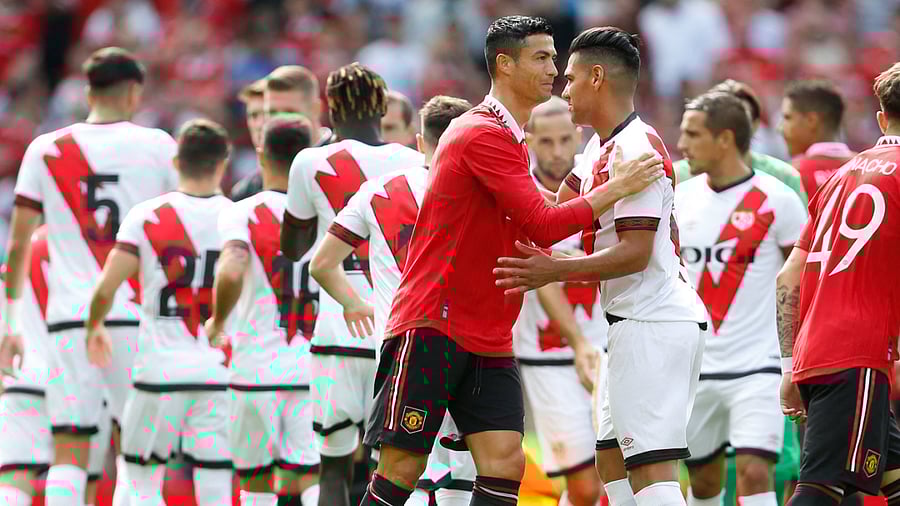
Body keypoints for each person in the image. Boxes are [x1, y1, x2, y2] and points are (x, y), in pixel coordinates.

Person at [360, 17, 665, 506]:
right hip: (434, 322)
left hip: (489, 331)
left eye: (554, 57)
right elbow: (543, 225)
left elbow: (535, 210)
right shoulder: (481, 132)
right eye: (542, 58)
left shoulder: (509, 138)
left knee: (505, 462)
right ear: (504, 64)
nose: (554, 68)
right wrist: (619, 188)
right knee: (402, 466)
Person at [494, 26, 708, 506]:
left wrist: (553, 271)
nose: (562, 89)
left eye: (569, 79)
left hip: (654, 320)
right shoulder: (597, 148)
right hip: (628, 323)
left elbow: (635, 251)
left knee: (651, 470)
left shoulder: (636, 148)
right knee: (610, 460)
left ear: (596, 77)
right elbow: (548, 213)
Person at [0, 46, 178, 506]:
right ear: (134, 91)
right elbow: (181, 230)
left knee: (69, 447)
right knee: (137, 451)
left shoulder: (45, 149)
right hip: (135, 316)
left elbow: (19, 244)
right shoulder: (158, 145)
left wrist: (13, 323)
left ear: (87, 90)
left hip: (68, 320)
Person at [310, 95, 476, 505]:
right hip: (469, 344)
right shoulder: (483, 189)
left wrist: (352, 303)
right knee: (462, 469)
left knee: (406, 469)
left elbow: (322, 263)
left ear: (421, 142)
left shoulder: (378, 191)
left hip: (400, 345)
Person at [280, 62, 425, 506]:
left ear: (330, 107)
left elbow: (294, 244)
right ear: (382, 106)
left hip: (336, 331)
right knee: (401, 472)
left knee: (333, 470)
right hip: (393, 331)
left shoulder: (309, 161)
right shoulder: (411, 161)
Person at [85, 119, 234, 506]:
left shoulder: (146, 216)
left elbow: (106, 287)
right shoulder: (237, 217)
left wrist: (95, 324)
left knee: (140, 480)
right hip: (219, 370)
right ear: (223, 163)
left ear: (176, 161)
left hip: (159, 371)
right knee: (215, 482)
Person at [674, 92, 807, 506]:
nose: (682, 145)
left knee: (754, 471)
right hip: (696, 367)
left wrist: (797, 362)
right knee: (705, 483)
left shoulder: (778, 200)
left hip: (759, 366)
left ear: (725, 139)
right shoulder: (678, 198)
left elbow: (804, 282)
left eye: (692, 135)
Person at [777, 62, 900, 505]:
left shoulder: (842, 176)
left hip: (817, 349)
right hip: (860, 354)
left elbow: (788, 273)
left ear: (882, 119)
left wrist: (790, 362)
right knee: (819, 492)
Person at [206, 115, 321, 506]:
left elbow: (233, 267)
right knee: (311, 477)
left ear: (260, 155)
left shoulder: (241, 211)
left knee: (255, 481)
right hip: (311, 368)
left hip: (255, 368)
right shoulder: (328, 213)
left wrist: (218, 320)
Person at [513, 96, 606, 506]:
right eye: (545, 141)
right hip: (548, 353)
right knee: (584, 487)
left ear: (579, 136)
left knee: (618, 478)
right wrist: (578, 342)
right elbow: (540, 279)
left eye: (565, 139)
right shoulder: (518, 193)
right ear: (528, 140)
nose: (556, 152)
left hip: (606, 347)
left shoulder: (602, 185)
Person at [0, 227, 112, 506]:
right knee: (79, 480)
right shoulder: (94, 250)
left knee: (13, 478)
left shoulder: (20, 251)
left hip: (23, 376)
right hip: (78, 379)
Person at [674, 79, 808, 206]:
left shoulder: (784, 177)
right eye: (724, 119)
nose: (733, 127)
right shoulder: (678, 177)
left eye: (742, 119)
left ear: (755, 124)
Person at [232, 65, 332, 201]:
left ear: (316, 110)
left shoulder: (346, 163)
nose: (280, 120)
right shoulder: (248, 191)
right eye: (272, 113)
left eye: (289, 112)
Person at [781, 80, 856, 197]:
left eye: (787, 117)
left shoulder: (790, 175)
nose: (779, 128)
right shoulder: (871, 169)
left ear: (811, 120)